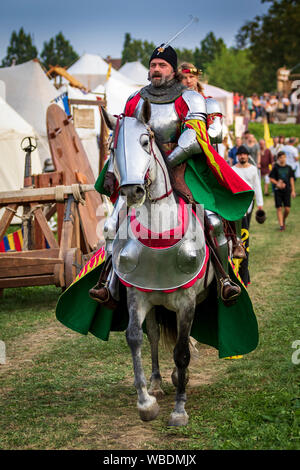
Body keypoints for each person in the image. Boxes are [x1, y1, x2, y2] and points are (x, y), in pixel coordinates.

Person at [90, 45, 254, 305]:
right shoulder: (135, 99)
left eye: (162, 65)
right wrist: (113, 170)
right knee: (112, 225)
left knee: (210, 221)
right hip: (142, 174)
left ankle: (224, 279)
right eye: (153, 65)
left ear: (173, 70)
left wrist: (165, 163)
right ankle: (109, 283)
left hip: (181, 171)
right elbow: (123, 138)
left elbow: (194, 136)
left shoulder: (190, 98)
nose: (156, 69)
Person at [232, 145, 264, 285]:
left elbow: (257, 186)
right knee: (237, 233)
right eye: (240, 154)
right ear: (237, 156)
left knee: (245, 232)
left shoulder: (252, 169)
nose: (242, 156)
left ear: (248, 156)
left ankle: (244, 261)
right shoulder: (233, 169)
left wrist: (260, 204)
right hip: (236, 205)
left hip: (248, 203)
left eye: (245, 154)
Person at [269, 151, 296, 231]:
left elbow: (291, 179)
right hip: (278, 191)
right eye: (281, 157)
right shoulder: (276, 168)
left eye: (284, 157)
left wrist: (293, 190)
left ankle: (283, 219)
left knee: (287, 209)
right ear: (278, 159)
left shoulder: (289, 168)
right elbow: (271, 178)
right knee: (279, 208)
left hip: (287, 190)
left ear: (286, 158)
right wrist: (278, 183)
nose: (282, 159)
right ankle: (281, 225)